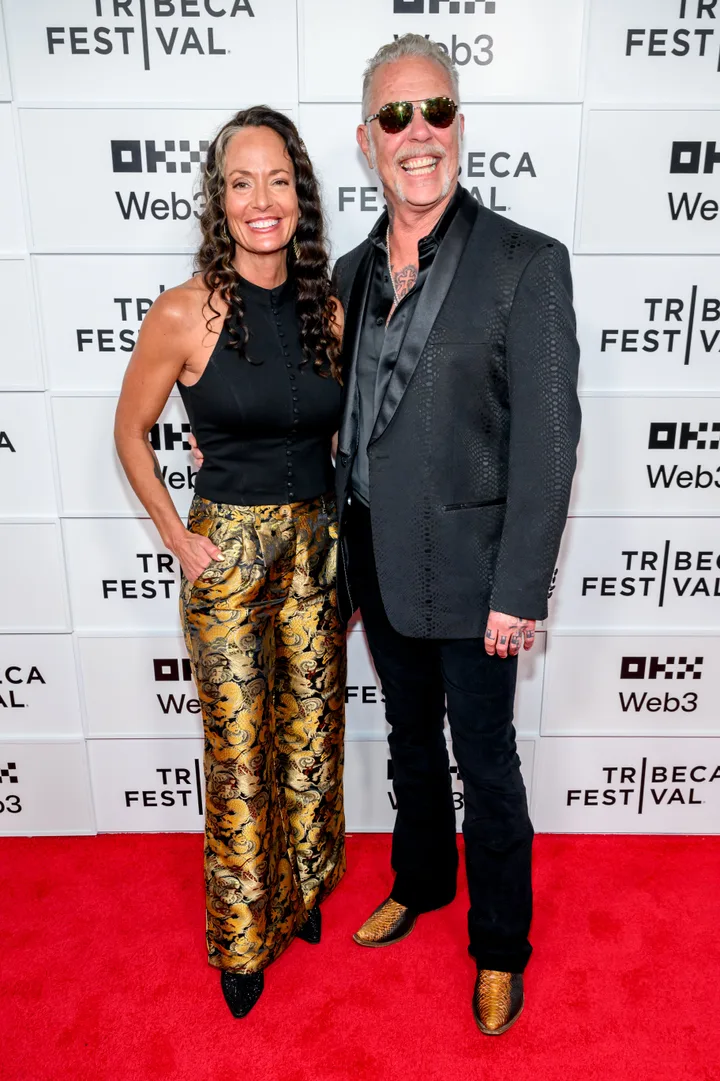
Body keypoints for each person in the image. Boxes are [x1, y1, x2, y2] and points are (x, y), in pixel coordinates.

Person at [332, 35, 581, 1035]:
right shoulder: (347, 273)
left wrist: (520, 587)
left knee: (485, 761)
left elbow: (551, 445)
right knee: (404, 745)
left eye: (434, 111)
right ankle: (422, 881)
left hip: (482, 582)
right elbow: (342, 424)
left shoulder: (527, 264)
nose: (417, 133)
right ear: (367, 141)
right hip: (378, 565)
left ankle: (500, 945)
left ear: (461, 127)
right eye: (396, 118)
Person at [114, 106, 346, 1020]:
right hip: (230, 558)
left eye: (279, 179)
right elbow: (130, 433)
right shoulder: (184, 311)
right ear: (219, 199)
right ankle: (244, 940)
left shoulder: (329, 304)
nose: (263, 199)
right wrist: (178, 536)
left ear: (301, 196)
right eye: (242, 181)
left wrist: (342, 556)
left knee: (312, 740)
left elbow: (344, 439)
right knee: (240, 752)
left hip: (317, 549)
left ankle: (303, 890)